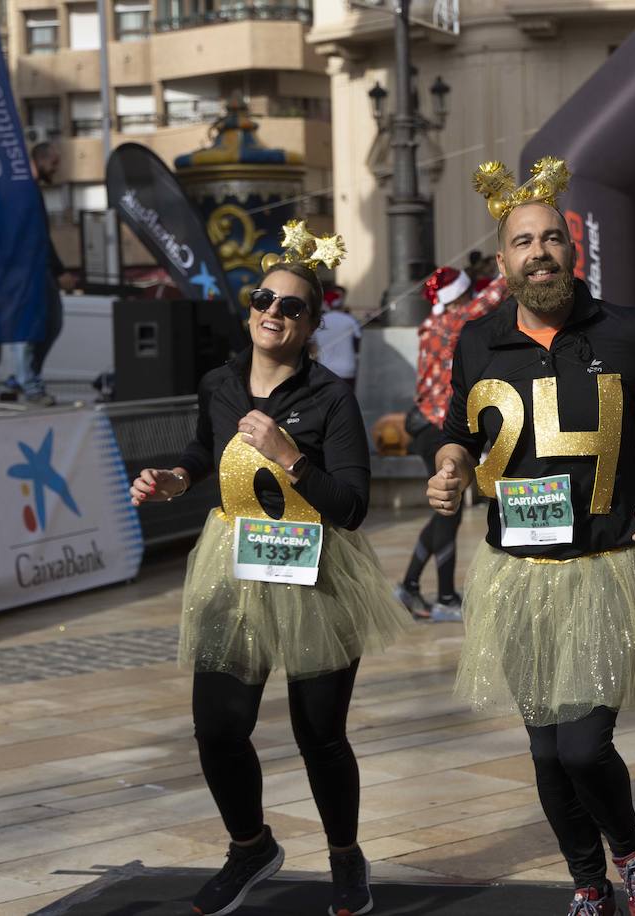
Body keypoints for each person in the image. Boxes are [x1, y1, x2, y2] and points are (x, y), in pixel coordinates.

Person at [428, 158, 635, 916]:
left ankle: (631, 851)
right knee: (546, 752)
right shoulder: (477, 341)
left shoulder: (620, 330)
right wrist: (449, 468)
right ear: (503, 258)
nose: (539, 251)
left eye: (552, 237)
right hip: (516, 574)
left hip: (603, 567)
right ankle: (587, 880)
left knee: (583, 746)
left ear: (572, 251)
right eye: (523, 241)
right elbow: (455, 431)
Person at [128, 235, 410, 916]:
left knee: (320, 734)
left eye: (292, 305)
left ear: (312, 325)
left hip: (317, 568)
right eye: (263, 299)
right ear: (249, 310)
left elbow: (352, 506)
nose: (273, 311)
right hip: (233, 564)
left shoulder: (331, 398)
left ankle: (345, 855)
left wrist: (291, 458)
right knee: (217, 728)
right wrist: (179, 475)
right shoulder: (219, 384)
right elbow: (206, 444)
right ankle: (249, 844)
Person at [397, 266, 507, 621]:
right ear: (458, 295)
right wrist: (507, 270)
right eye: (467, 291)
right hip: (437, 428)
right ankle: (444, 596)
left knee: (446, 509)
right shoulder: (450, 323)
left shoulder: (433, 321)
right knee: (450, 510)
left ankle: (410, 586)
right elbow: (487, 301)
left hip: (428, 426)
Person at [9, 142, 73, 407]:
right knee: (28, 328)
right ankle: (29, 383)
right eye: (54, 163)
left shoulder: (33, 191)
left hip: (40, 267)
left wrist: (57, 269)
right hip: (25, 270)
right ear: (42, 159)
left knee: (52, 323)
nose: (56, 170)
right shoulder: (22, 190)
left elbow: (42, 237)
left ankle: (25, 376)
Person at [311, 285, 362, 387]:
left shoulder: (319, 322)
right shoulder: (349, 319)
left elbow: (312, 345)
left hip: (325, 370)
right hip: (347, 370)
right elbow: (359, 338)